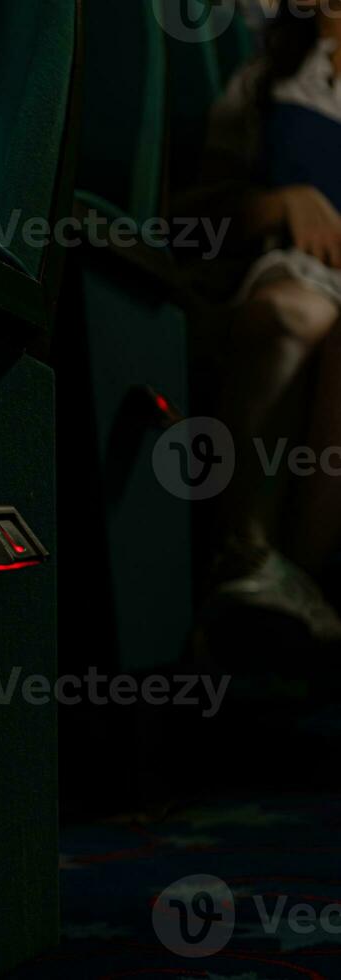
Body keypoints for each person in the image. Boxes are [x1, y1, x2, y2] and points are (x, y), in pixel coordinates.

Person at [195, 0, 341, 641]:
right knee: (294, 314)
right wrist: (280, 203)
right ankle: (251, 552)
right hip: (287, 270)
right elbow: (191, 211)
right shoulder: (263, 82)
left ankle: (308, 580)